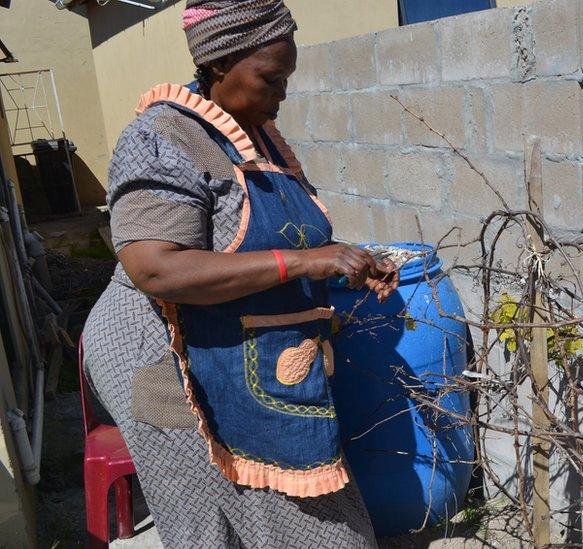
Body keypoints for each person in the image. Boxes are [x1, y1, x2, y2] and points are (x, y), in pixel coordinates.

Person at [82, 1, 396, 546]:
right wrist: (302, 262)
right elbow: (156, 268)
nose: (282, 94)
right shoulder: (162, 138)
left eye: (286, 79)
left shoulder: (259, 136)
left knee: (310, 510)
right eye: (271, 79)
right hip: (163, 352)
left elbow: (280, 239)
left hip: (252, 351)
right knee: (209, 509)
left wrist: (344, 260)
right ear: (220, 63)